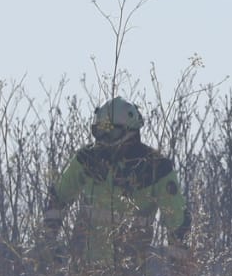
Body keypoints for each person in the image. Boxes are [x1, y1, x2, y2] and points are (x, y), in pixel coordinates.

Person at [43, 96, 191, 266]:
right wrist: (49, 243)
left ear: (131, 131)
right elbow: (58, 198)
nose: (104, 139)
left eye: (111, 132)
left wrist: (180, 266)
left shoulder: (157, 168)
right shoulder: (86, 160)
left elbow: (177, 220)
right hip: (84, 267)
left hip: (131, 271)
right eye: (100, 131)